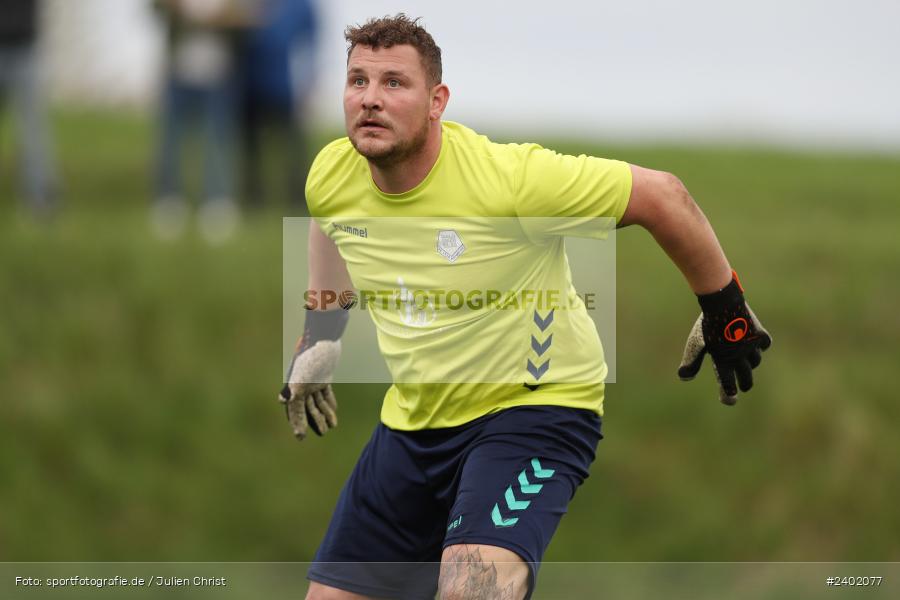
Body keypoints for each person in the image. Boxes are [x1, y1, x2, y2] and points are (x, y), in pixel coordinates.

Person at [280, 14, 772, 600]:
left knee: (473, 588)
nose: (370, 99)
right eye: (357, 81)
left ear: (437, 101)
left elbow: (663, 195)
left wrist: (724, 308)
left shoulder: (509, 179)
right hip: (414, 424)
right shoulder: (333, 171)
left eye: (394, 83)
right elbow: (329, 221)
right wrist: (322, 335)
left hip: (533, 411)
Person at [151, 0, 258, 243]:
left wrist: (220, 16)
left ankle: (217, 203)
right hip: (179, 69)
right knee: (171, 139)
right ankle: (169, 202)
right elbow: (156, 7)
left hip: (221, 71)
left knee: (219, 139)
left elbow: (254, 15)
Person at [238, 0, 318, 212]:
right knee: (250, 147)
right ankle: (254, 198)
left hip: (284, 87)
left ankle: (298, 197)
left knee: (293, 146)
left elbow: (310, 43)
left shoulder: (300, 5)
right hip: (250, 85)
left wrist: (308, 81)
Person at [0, 0, 59, 216]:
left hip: (24, 43)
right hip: (23, 41)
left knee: (33, 131)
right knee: (34, 130)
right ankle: (40, 197)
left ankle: (40, 197)